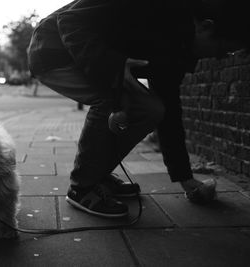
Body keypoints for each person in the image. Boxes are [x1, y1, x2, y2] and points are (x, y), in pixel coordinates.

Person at [27, 0, 246, 218]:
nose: (219, 58)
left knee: (152, 109)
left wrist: (185, 178)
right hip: (52, 50)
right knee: (113, 96)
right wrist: (111, 66)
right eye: (224, 51)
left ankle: (98, 176)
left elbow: (169, 111)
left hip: (80, 55)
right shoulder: (151, 6)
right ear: (206, 26)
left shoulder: (178, 49)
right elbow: (69, 19)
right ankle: (82, 187)